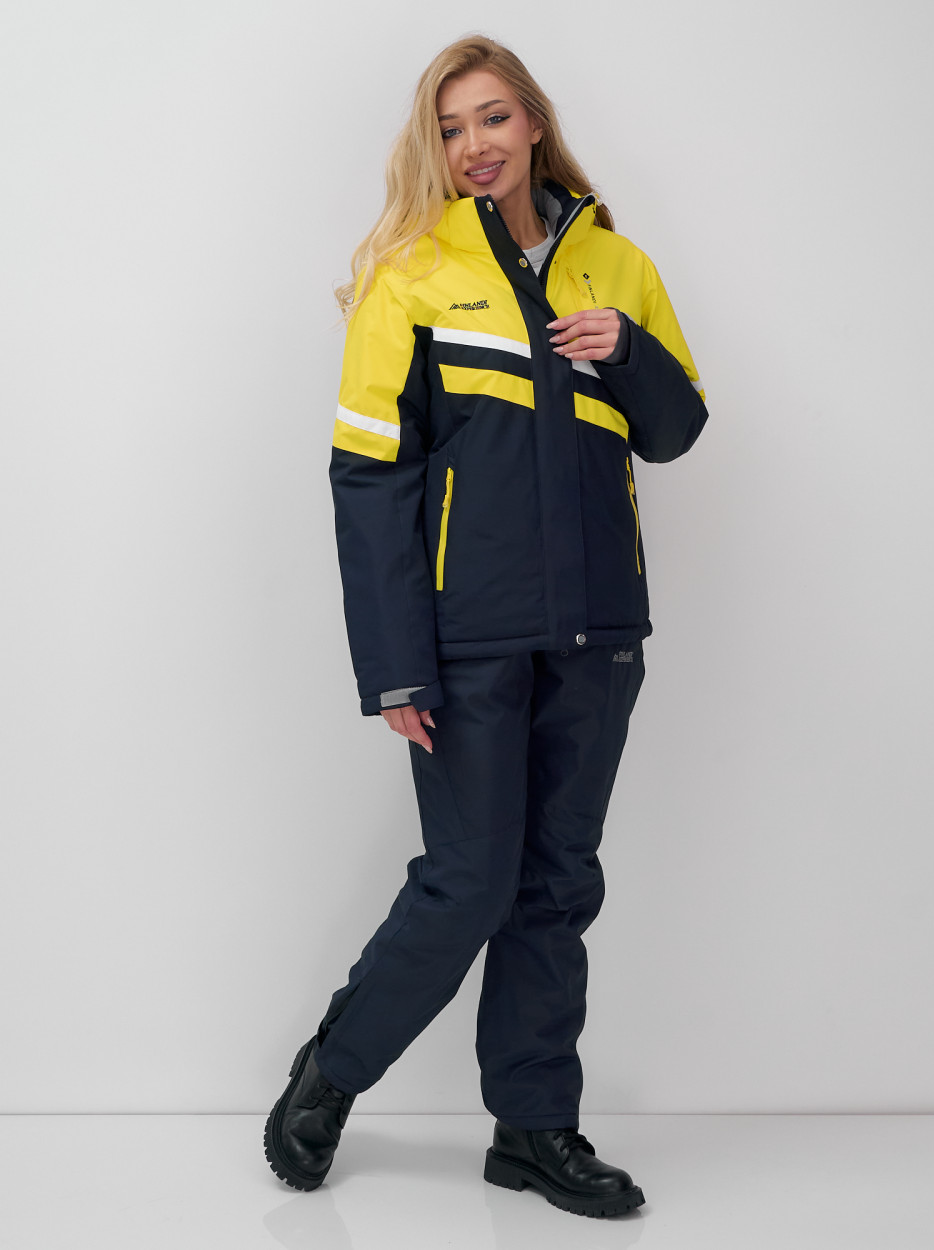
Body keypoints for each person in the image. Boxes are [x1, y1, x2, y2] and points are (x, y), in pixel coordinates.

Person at [264, 34, 708, 1218]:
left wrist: (628, 353)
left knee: (555, 885)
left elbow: (674, 430)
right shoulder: (411, 275)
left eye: (493, 118)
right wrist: (395, 663)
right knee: (467, 881)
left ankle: (533, 1127)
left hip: (599, 632)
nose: (474, 144)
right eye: (452, 127)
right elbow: (370, 482)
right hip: (469, 639)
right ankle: (331, 1071)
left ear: (533, 124)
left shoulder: (615, 264)